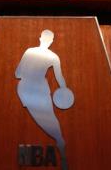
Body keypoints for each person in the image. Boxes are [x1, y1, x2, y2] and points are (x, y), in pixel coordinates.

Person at [15, 29, 70, 169]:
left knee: (46, 119)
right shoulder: (53, 56)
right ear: (51, 41)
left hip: (25, 89)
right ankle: (60, 143)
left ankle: (60, 142)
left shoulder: (29, 51)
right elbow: (59, 77)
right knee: (48, 118)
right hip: (39, 88)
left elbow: (17, 73)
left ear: (40, 38)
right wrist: (65, 90)